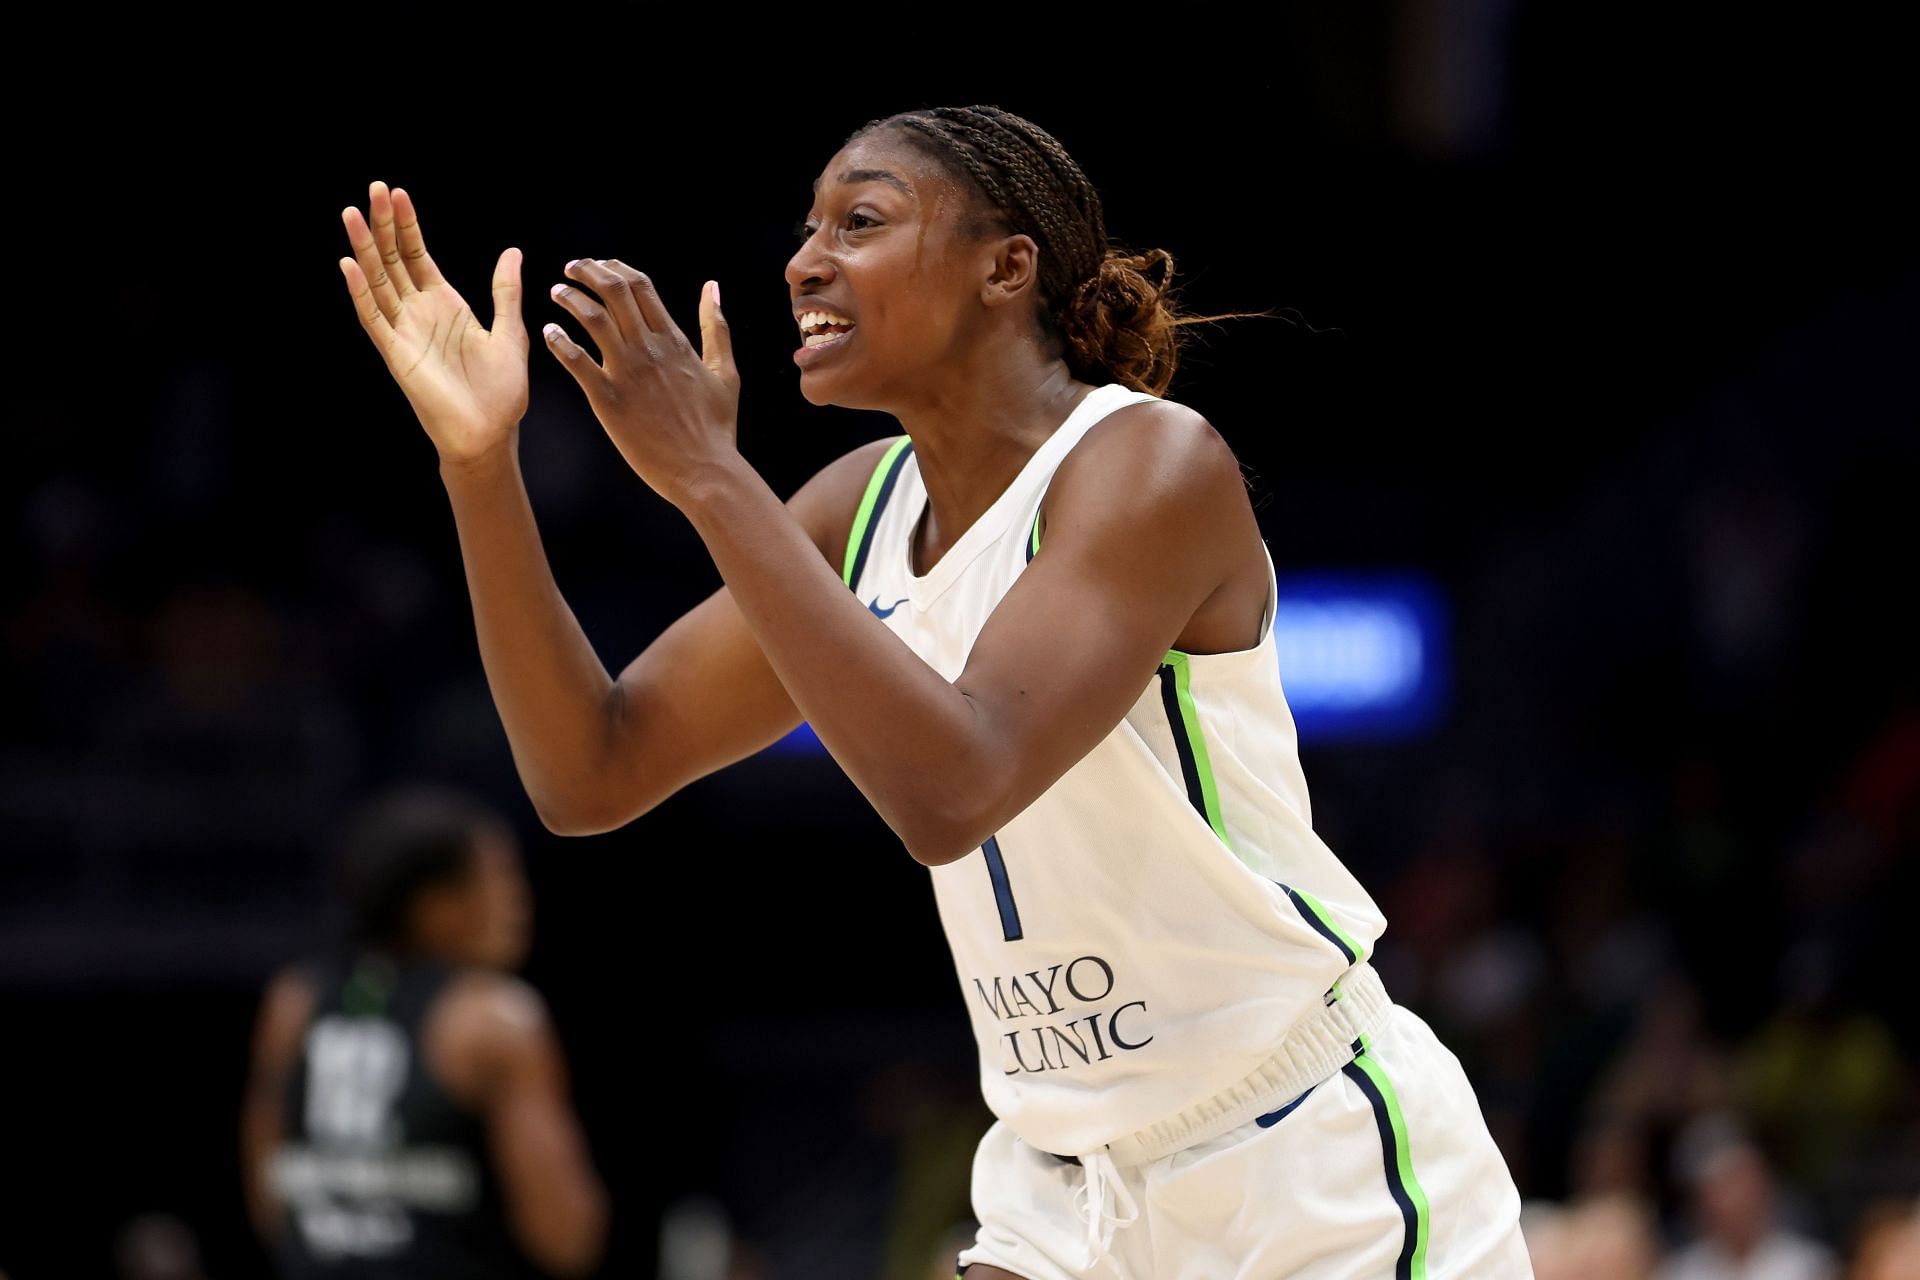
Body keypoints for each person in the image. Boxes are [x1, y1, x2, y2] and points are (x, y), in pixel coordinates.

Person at [336, 103, 1532, 1278]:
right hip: (1064, 1183)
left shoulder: (1149, 464)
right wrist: (479, 465)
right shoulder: (859, 507)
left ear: (1005, 268)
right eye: (807, 228)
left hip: (1299, 1155)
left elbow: (955, 787)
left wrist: (710, 475)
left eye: (860, 221)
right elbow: (589, 770)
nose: (806, 259)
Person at [240, 785, 608, 1278]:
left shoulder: (294, 1002)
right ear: (433, 904)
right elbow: (564, 1235)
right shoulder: (495, 1020)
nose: (519, 902)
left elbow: (269, 1195)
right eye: (499, 878)